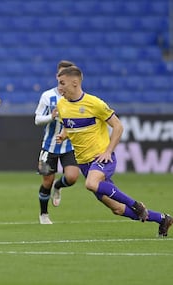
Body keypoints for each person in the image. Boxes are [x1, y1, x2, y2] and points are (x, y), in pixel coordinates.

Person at [56, 65, 172, 237]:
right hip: (84, 164)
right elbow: (69, 125)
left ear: (74, 83)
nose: (59, 87)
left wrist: (108, 151)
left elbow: (118, 126)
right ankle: (163, 219)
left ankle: (136, 205)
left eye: (62, 83)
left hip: (101, 159)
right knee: (117, 209)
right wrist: (63, 135)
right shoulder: (62, 105)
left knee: (91, 184)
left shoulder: (95, 103)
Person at [34, 60, 79, 225]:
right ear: (57, 76)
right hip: (49, 147)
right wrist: (51, 117)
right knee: (46, 181)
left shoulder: (78, 97)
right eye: (61, 75)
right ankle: (44, 214)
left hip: (69, 146)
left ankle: (58, 187)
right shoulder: (48, 96)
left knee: (72, 177)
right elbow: (37, 120)